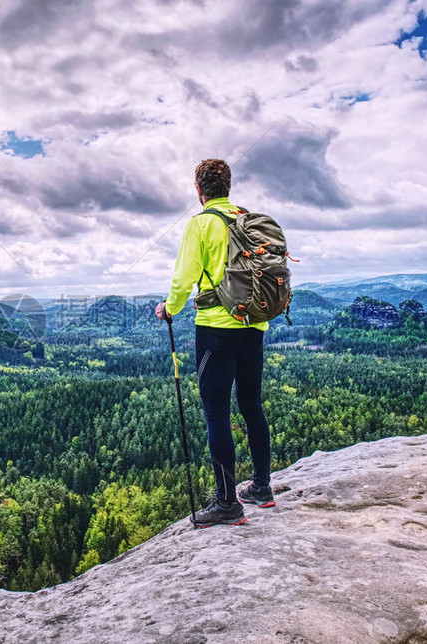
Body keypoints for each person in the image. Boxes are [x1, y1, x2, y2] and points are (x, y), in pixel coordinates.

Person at [155, 158, 274, 528]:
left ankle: (227, 503)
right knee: (252, 407)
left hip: (215, 331)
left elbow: (184, 278)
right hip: (254, 326)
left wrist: (169, 309)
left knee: (217, 414)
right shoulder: (247, 219)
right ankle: (262, 488)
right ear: (228, 186)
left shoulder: (201, 223)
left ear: (198, 190)